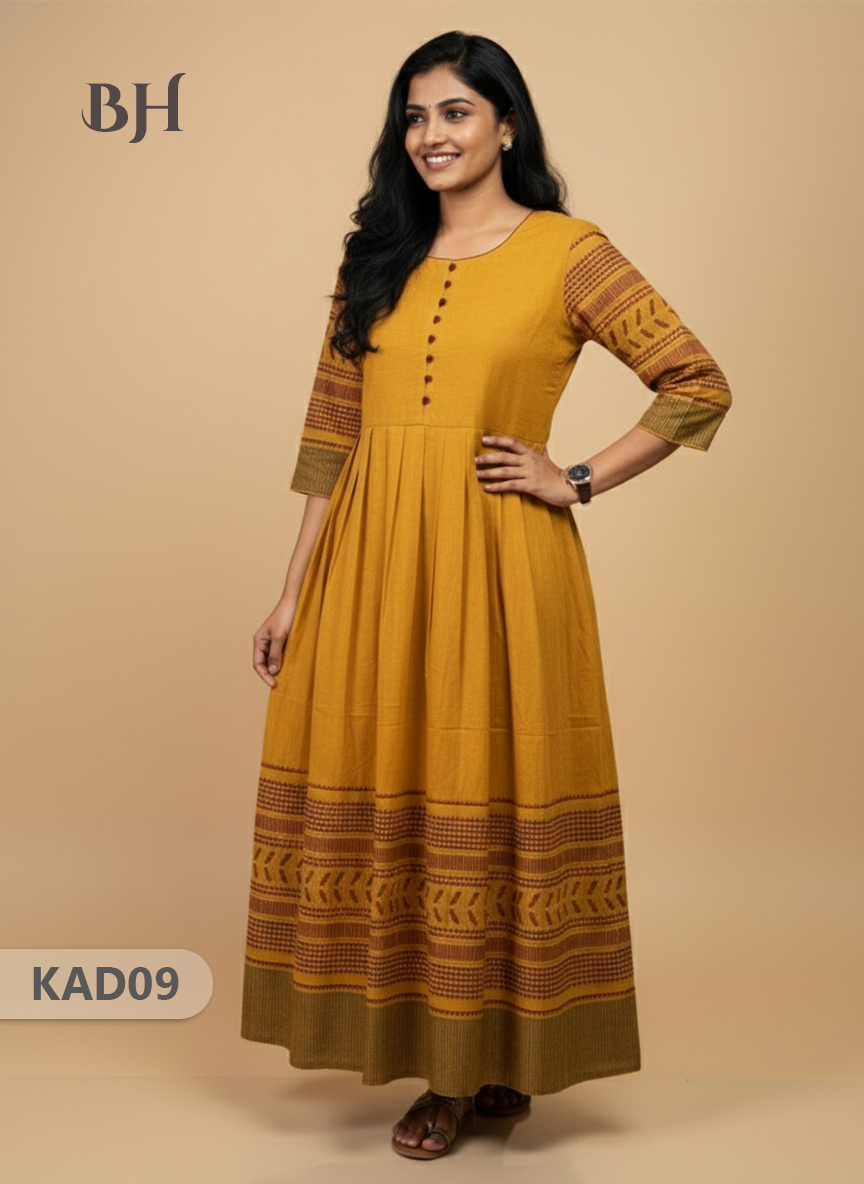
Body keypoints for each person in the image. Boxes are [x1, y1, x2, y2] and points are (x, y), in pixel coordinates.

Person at [241, 30, 732, 1161]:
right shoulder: (378, 255)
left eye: (456, 112)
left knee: (488, 786)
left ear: (506, 125)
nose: (432, 136)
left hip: (500, 563)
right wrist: (290, 592)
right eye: (415, 117)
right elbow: (330, 435)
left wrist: (578, 478)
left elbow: (695, 381)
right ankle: (455, 1057)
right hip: (370, 562)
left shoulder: (569, 251)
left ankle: (465, 1072)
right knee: (398, 782)